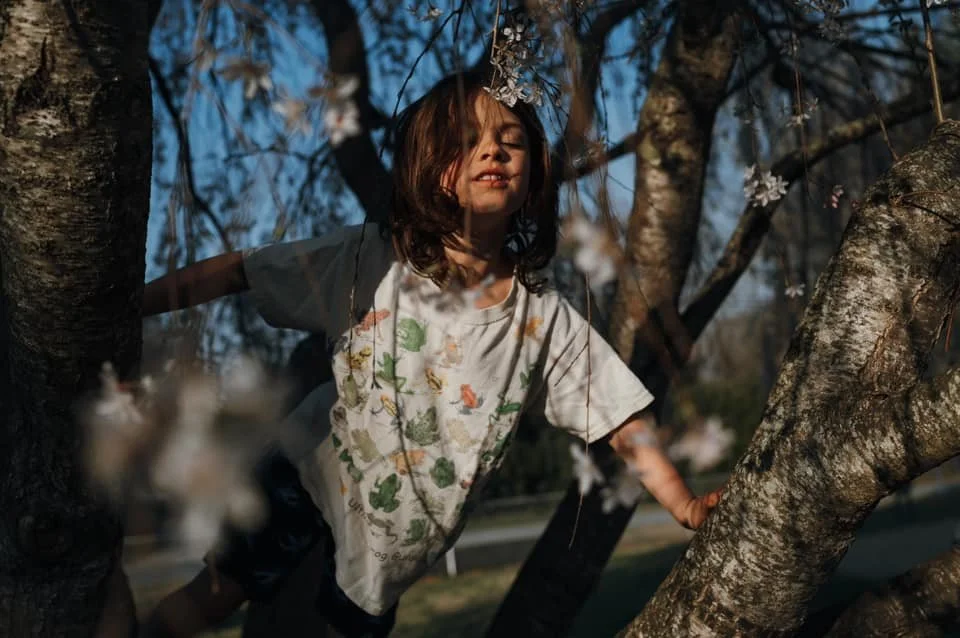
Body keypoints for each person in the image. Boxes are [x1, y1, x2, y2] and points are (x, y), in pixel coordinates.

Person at [139, 71, 721, 637]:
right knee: (216, 593)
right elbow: (245, 270)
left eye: (511, 140)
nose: (492, 150)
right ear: (429, 168)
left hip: (397, 541)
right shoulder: (371, 259)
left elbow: (619, 418)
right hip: (310, 470)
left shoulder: (542, 316)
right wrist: (132, 304)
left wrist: (685, 505)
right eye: (466, 140)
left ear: (534, 174)